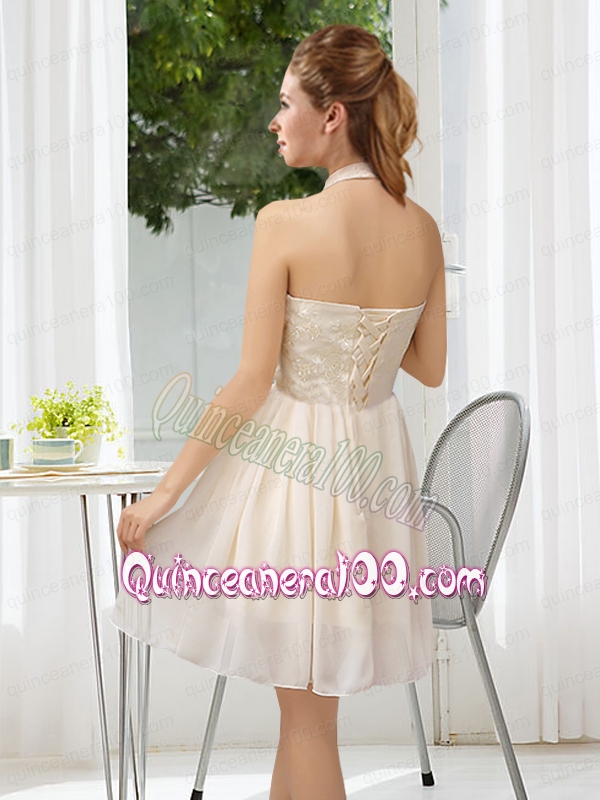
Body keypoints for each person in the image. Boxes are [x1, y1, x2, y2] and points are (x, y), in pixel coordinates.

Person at [110, 23, 446, 800]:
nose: (274, 119)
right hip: (372, 486)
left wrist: (164, 497)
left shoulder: (285, 224)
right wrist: (372, 328)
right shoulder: (423, 229)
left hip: (298, 487)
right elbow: (428, 368)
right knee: (305, 716)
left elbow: (248, 384)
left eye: (287, 102)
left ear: (333, 115)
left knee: (306, 722)